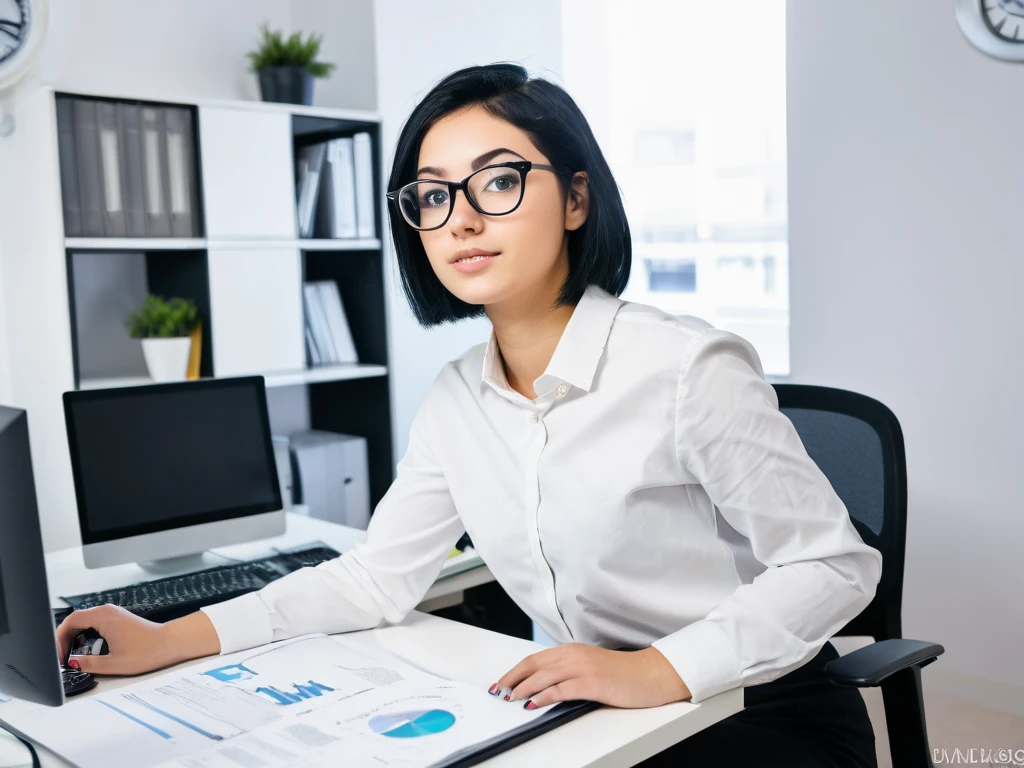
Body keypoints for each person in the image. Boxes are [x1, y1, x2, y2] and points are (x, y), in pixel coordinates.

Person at [57, 62, 881, 767]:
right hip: (591, 711)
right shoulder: (456, 397)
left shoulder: (685, 369)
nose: (461, 218)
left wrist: (657, 668)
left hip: (751, 709)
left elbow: (835, 567)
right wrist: (167, 638)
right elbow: (375, 576)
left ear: (576, 199)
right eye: (432, 195)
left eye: (498, 180)